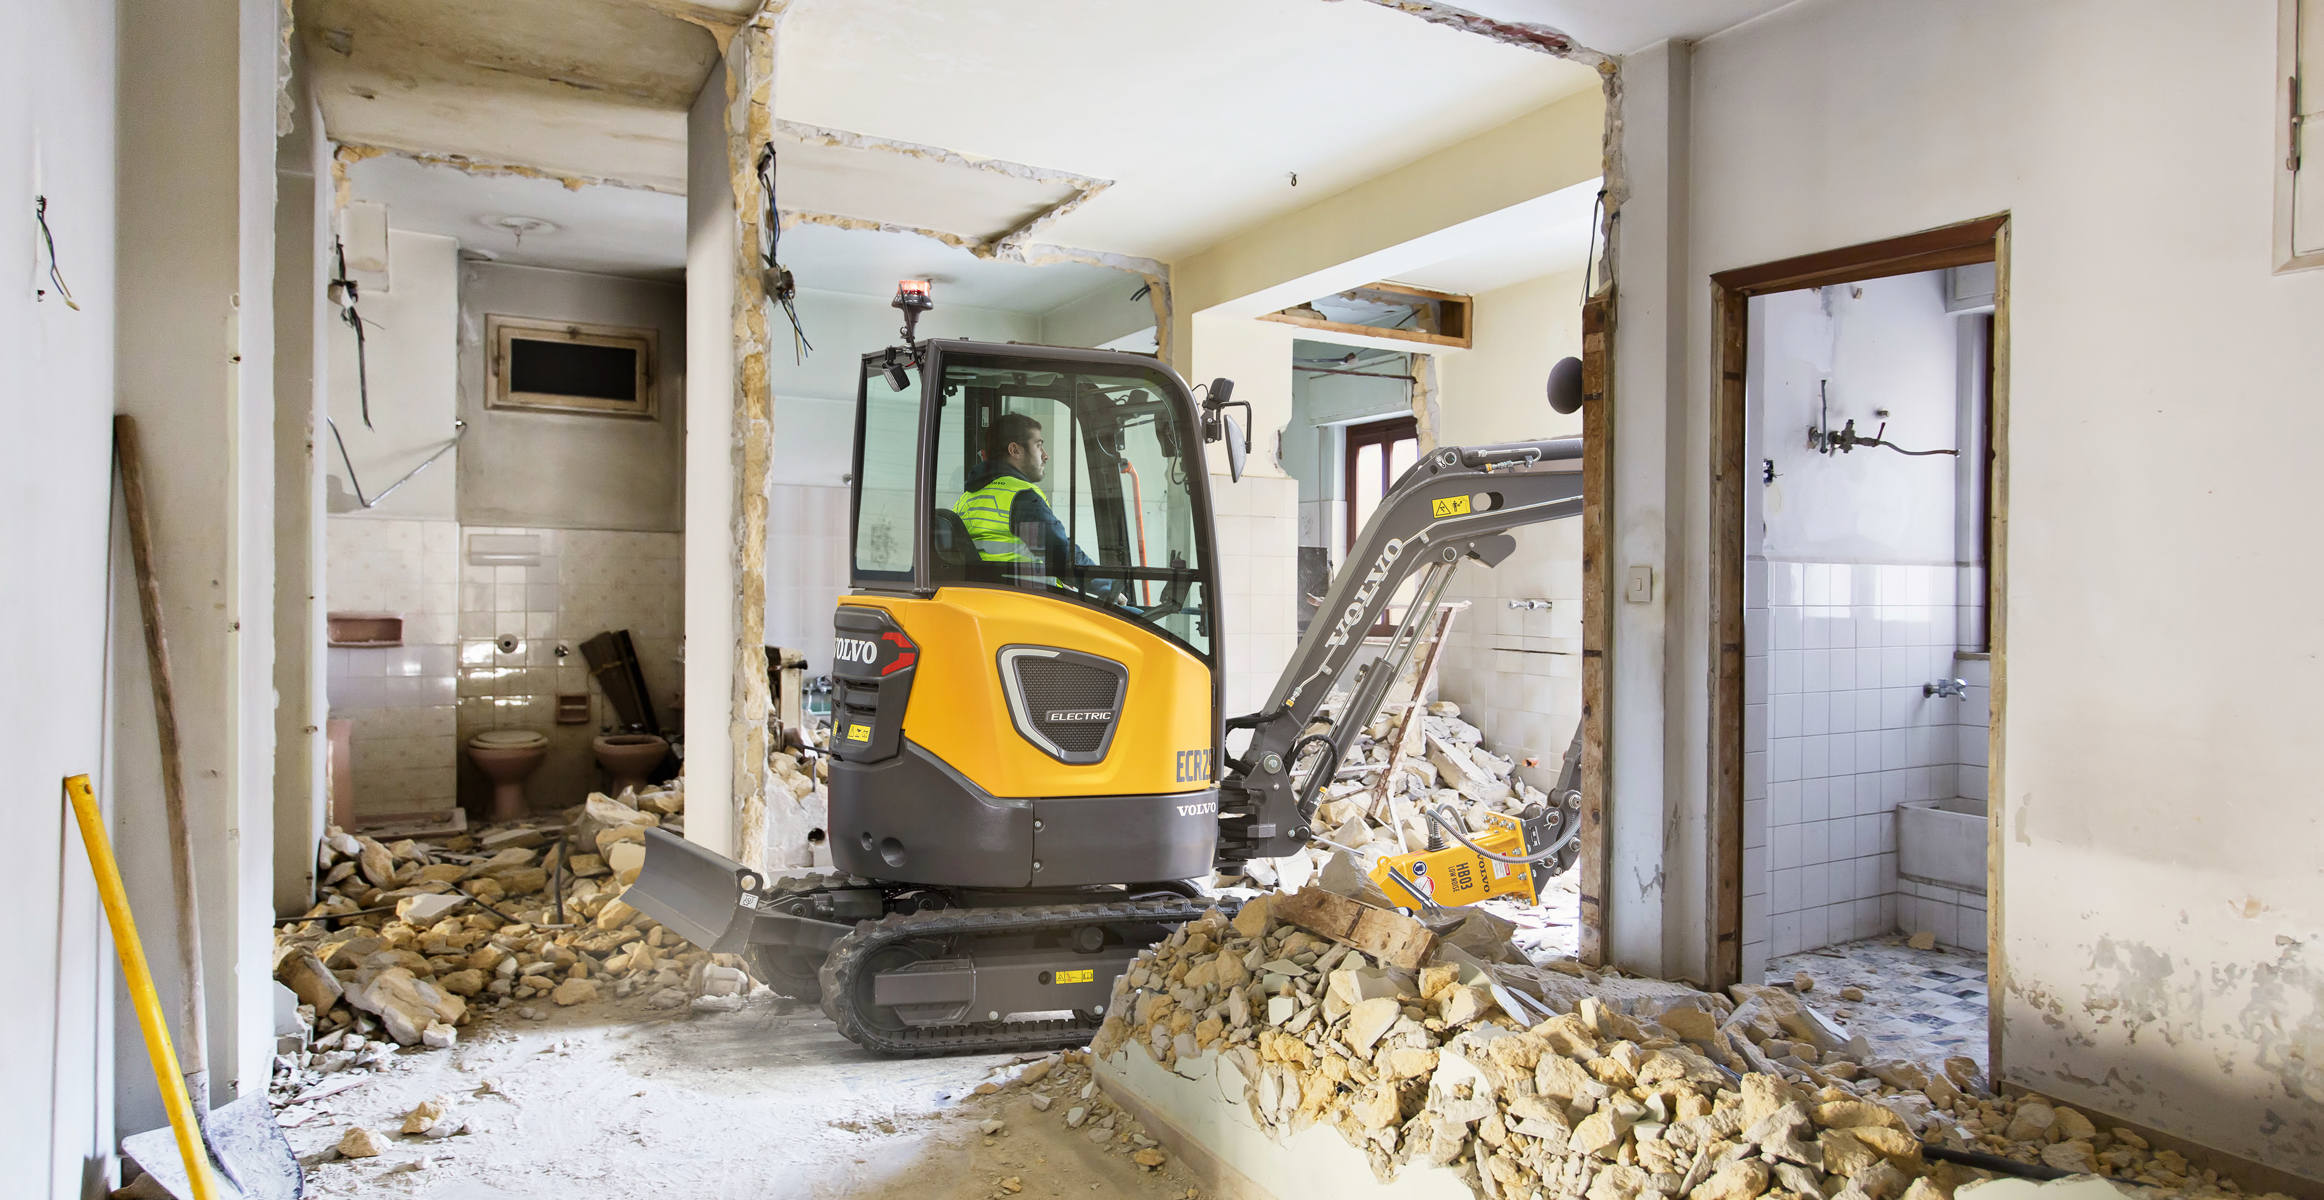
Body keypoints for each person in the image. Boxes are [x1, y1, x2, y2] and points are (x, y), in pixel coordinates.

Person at [954, 412, 1104, 589]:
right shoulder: (1022, 497)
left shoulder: (967, 498)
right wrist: (1104, 585)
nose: (1045, 455)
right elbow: (1060, 554)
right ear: (1015, 450)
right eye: (1039, 446)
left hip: (995, 595)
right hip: (1028, 599)